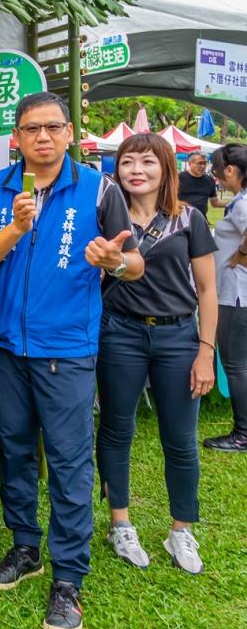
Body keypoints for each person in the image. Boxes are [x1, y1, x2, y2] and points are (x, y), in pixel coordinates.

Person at [0, 92, 143, 629]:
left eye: (52, 127)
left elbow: (134, 261)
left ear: (69, 133)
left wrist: (116, 260)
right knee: (14, 450)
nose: (42, 137)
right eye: (31, 129)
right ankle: (26, 547)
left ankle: (69, 576)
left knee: (71, 463)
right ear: (16, 139)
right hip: (5, 346)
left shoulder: (99, 188)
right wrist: (14, 230)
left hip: (67, 349)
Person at [95, 133, 217, 575]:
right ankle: (120, 524)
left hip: (178, 338)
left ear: (166, 168)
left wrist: (206, 351)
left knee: (181, 440)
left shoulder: (188, 219)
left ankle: (181, 529)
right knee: (115, 430)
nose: (136, 170)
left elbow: (207, 290)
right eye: (128, 162)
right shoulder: (107, 216)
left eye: (147, 162)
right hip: (120, 334)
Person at [203, 143, 247, 452]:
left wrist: (239, 255)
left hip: (236, 295)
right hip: (236, 293)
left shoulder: (242, 203)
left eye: (218, 173)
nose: (217, 178)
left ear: (230, 170)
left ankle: (242, 433)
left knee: (235, 365)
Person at [177, 151, 226, 218]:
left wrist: (234, 202)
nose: (202, 166)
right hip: (180, 219)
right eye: (199, 163)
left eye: (205, 163)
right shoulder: (178, 178)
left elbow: (215, 203)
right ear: (190, 163)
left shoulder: (209, 180)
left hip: (201, 220)